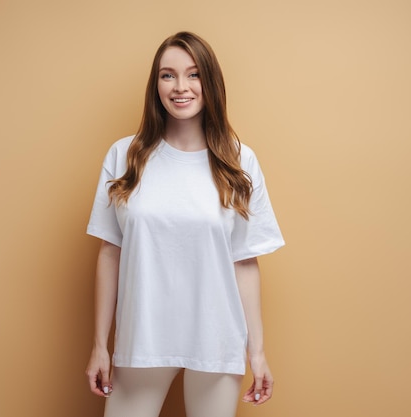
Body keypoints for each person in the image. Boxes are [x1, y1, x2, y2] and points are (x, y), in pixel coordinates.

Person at [85, 31, 285, 417]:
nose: (181, 87)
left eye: (193, 75)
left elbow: (244, 261)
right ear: (155, 84)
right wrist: (99, 345)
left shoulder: (240, 161)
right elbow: (110, 252)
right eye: (168, 75)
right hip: (142, 337)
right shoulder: (125, 155)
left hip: (216, 337)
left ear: (209, 83)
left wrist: (257, 354)